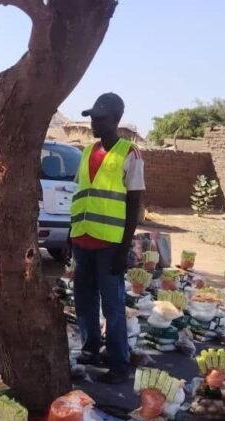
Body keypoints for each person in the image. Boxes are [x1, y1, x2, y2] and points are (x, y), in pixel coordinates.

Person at [70, 93, 145, 384]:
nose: (93, 124)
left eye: (99, 118)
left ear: (115, 119)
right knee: (84, 299)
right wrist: (72, 236)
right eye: (92, 118)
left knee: (112, 305)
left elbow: (134, 204)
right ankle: (90, 348)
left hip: (110, 244)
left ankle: (118, 364)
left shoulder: (130, 153)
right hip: (82, 238)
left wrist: (124, 249)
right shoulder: (88, 151)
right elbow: (81, 194)